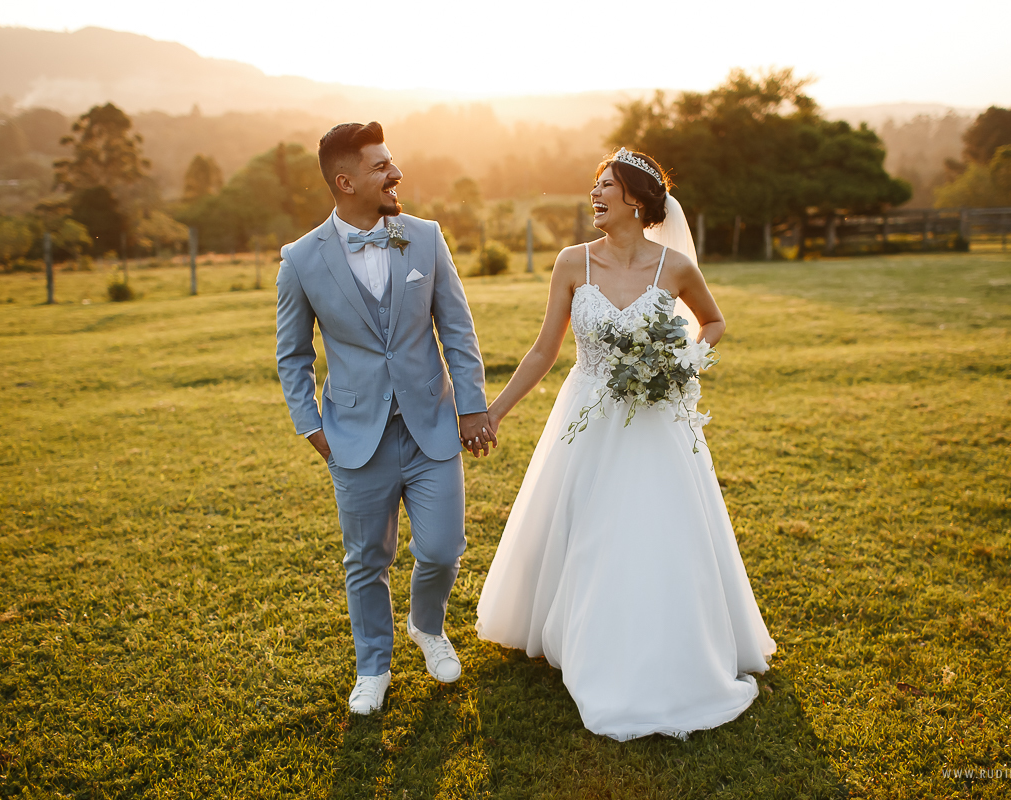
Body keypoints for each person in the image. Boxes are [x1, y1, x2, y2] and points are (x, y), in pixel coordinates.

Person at [475, 148, 776, 740]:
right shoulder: (571, 263)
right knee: (588, 530)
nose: (595, 194)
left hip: (655, 422)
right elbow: (544, 350)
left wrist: (682, 363)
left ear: (635, 200)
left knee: (654, 532)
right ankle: (585, 635)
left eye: (605, 185)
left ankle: (657, 648)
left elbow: (713, 323)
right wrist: (495, 411)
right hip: (586, 419)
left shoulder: (675, 268)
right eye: (595, 184)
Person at [275, 122, 496, 715]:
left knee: (444, 548)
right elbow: (293, 353)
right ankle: (373, 665)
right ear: (345, 182)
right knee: (366, 561)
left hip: (431, 426)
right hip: (353, 437)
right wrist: (311, 425)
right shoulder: (300, 260)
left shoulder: (422, 238)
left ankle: (427, 626)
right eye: (381, 167)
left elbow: (456, 326)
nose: (395, 174)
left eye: (392, 163)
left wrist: (472, 406)